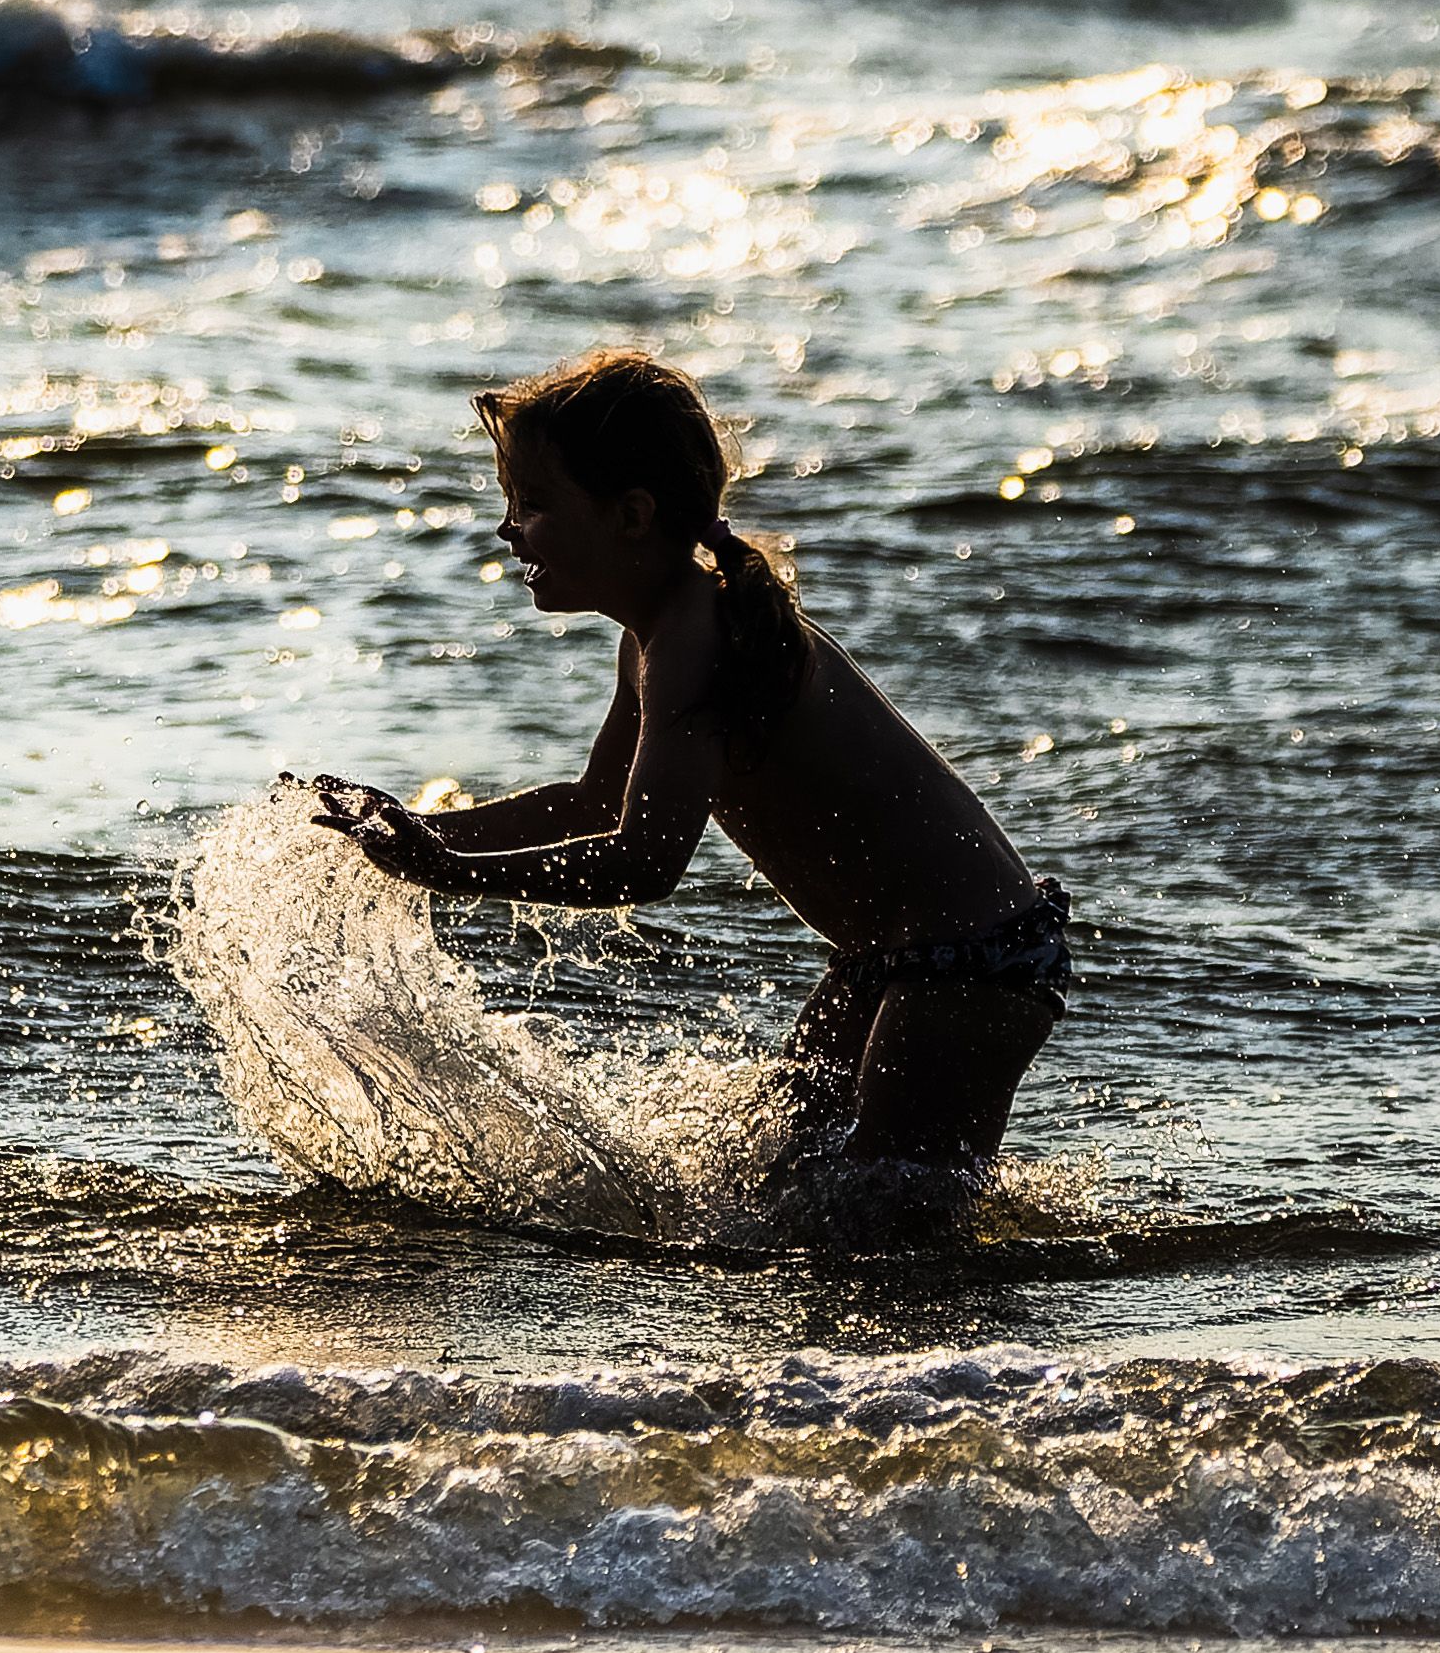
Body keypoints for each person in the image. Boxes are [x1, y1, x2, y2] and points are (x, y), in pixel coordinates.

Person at [310, 344, 1070, 1196]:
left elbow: (646, 861)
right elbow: (590, 802)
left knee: (883, 1225)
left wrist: (450, 873)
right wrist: (413, 833)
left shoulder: (694, 641)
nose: (507, 528)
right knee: (784, 1178)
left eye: (532, 504)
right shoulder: (658, 636)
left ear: (631, 514)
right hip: (891, 960)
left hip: (965, 964)